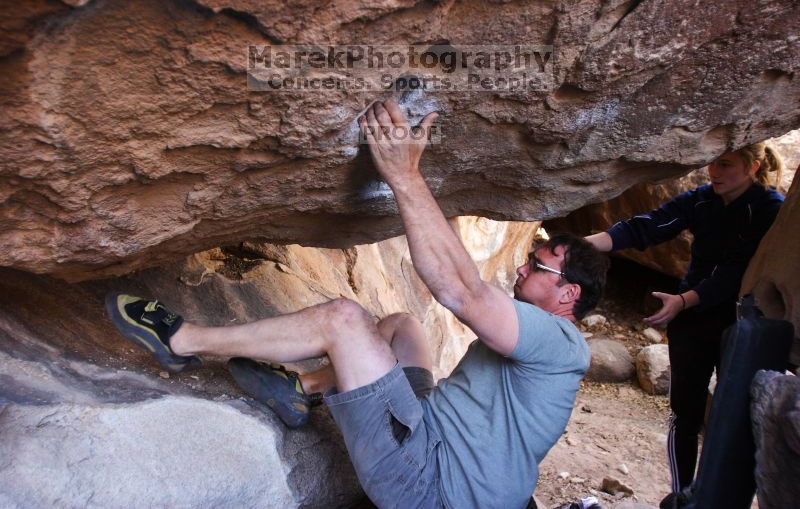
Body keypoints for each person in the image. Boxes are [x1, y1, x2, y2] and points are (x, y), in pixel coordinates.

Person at [106, 100, 609, 509]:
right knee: (404, 325)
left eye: (538, 266)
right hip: (431, 431)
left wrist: (405, 175)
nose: (523, 268)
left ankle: (183, 340)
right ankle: (301, 389)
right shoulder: (551, 341)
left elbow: (461, 291)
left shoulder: (559, 342)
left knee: (344, 319)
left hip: (431, 486)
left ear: (568, 295)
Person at [584, 142, 784, 507]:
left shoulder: (770, 210)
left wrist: (683, 300)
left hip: (739, 321)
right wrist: (583, 246)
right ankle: (680, 495)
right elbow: (647, 227)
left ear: (753, 167)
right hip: (692, 318)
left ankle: (714, 498)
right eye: (712, 163)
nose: (714, 172)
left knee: (731, 414)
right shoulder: (702, 200)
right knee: (684, 413)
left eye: (725, 165)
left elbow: (735, 272)